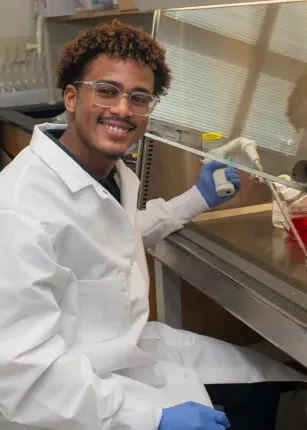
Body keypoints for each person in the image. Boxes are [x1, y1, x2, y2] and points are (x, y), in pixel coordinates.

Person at [0, 20, 304, 430]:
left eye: (138, 98)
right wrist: (154, 418)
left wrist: (198, 199)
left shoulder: (104, 172)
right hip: (75, 396)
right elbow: (22, 381)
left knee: (270, 380)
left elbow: (111, 237)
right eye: (106, 91)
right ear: (71, 97)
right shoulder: (18, 211)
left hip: (126, 352)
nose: (122, 109)